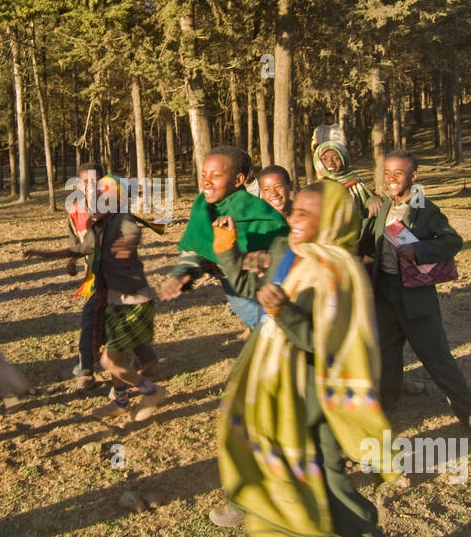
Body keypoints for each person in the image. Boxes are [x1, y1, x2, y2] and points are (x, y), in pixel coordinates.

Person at [213, 181, 431, 537]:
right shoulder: (285, 251)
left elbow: (326, 345)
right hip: (271, 385)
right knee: (251, 446)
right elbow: (243, 281)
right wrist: (226, 250)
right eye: (293, 211)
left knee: (332, 490)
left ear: (330, 220)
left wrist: (285, 313)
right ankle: (252, 501)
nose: (293, 219)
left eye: (305, 214)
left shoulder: (340, 273)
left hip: (317, 400)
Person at [361, 150, 471, 443]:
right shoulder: (382, 205)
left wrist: (418, 250)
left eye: (399, 173)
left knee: (437, 359)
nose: (392, 179)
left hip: (415, 298)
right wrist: (368, 207)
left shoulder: (425, 209)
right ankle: (386, 407)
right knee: (386, 356)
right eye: (387, 173)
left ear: (414, 176)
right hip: (383, 294)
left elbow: (452, 241)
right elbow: (365, 239)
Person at [26, 162, 156, 389]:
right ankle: (86, 373)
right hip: (96, 280)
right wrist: (64, 258)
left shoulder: (116, 211)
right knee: (95, 322)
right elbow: (78, 244)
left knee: (116, 324)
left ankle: (140, 363)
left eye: (96, 182)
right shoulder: (78, 211)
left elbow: (132, 231)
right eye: (87, 183)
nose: (92, 188)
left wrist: (126, 245)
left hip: (121, 284)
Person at [159, 146, 289, 331]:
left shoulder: (258, 211)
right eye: (204, 175)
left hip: (267, 297)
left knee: (277, 339)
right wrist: (182, 274)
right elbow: (197, 248)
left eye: (216, 176)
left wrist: (249, 259)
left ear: (238, 180)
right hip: (239, 299)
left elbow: (282, 254)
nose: (207, 183)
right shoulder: (202, 208)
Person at [82, 174, 166, 423]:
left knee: (109, 361)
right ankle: (120, 402)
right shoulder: (100, 226)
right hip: (111, 301)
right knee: (114, 357)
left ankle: (152, 391)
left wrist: (125, 244)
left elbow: (133, 232)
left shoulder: (122, 222)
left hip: (131, 304)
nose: (94, 205)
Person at [313, 140, 380, 220]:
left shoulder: (355, 183)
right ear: (318, 162)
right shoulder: (314, 190)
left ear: (344, 159)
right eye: (324, 159)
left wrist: (372, 200)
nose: (330, 162)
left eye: (336, 158)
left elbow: (367, 201)